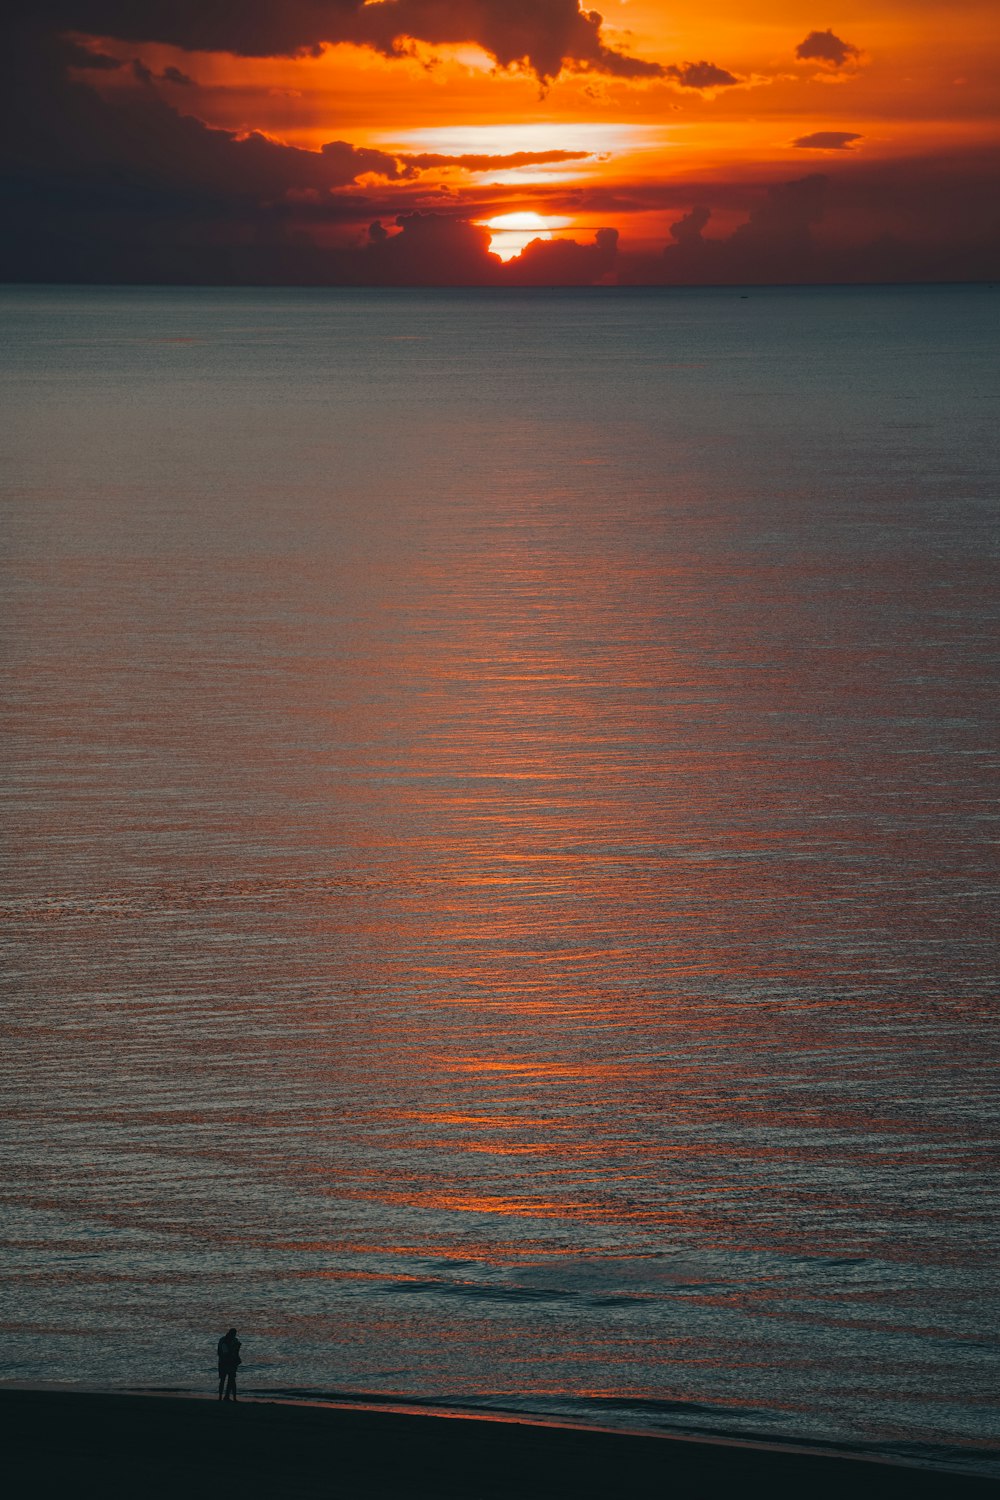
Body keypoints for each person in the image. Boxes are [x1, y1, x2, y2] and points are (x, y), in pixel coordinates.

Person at [217, 1327, 242, 1402]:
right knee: (226, 1380)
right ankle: (223, 1397)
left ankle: (227, 1397)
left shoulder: (233, 1340)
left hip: (228, 1362)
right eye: (233, 1334)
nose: (234, 1336)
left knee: (229, 1380)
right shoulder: (224, 1341)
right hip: (225, 1363)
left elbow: (235, 1352)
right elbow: (224, 1353)